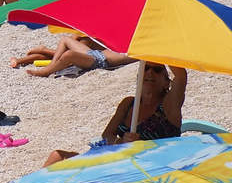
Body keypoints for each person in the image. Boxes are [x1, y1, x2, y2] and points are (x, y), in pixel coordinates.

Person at [43, 64, 186, 166]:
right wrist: (121, 142)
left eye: (157, 69)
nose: (149, 72)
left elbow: (181, 76)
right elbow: (107, 136)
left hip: (148, 166)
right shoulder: (129, 103)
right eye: (145, 68)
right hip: (117, 161)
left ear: (166, 83)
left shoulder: (169, 107)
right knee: (57, 156)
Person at [26, 40, 134, 77]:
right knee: (65, 39)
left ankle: (46, 72)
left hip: (100, 61)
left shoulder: (138, 52)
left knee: (69, 54)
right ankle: (52, 65)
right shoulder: (132, 40)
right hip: (96, 53)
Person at [9, 34, 103, 68]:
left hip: (88, 45)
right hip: (88, 44)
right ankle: (43, 50)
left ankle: (20, 60)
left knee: (54, 56)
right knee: (62, 54)